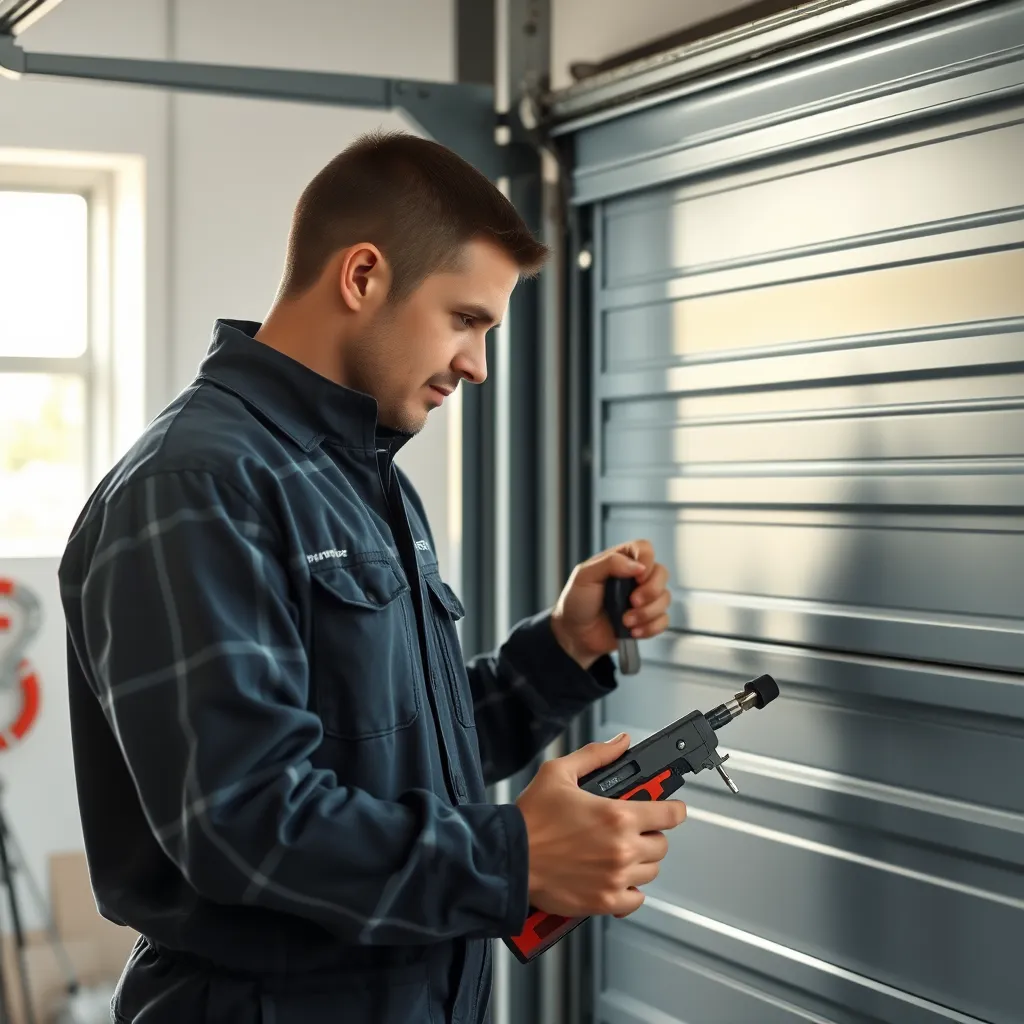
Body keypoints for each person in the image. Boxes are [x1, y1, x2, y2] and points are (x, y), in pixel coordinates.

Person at [57, 129, 686, 1024]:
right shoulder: (198, 486)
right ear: (363, 277)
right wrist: (512, 858)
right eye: (466, 319)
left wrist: (561, 650)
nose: (476, 364)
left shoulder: (361, 479)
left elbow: (396, 753)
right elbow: (243, 820)